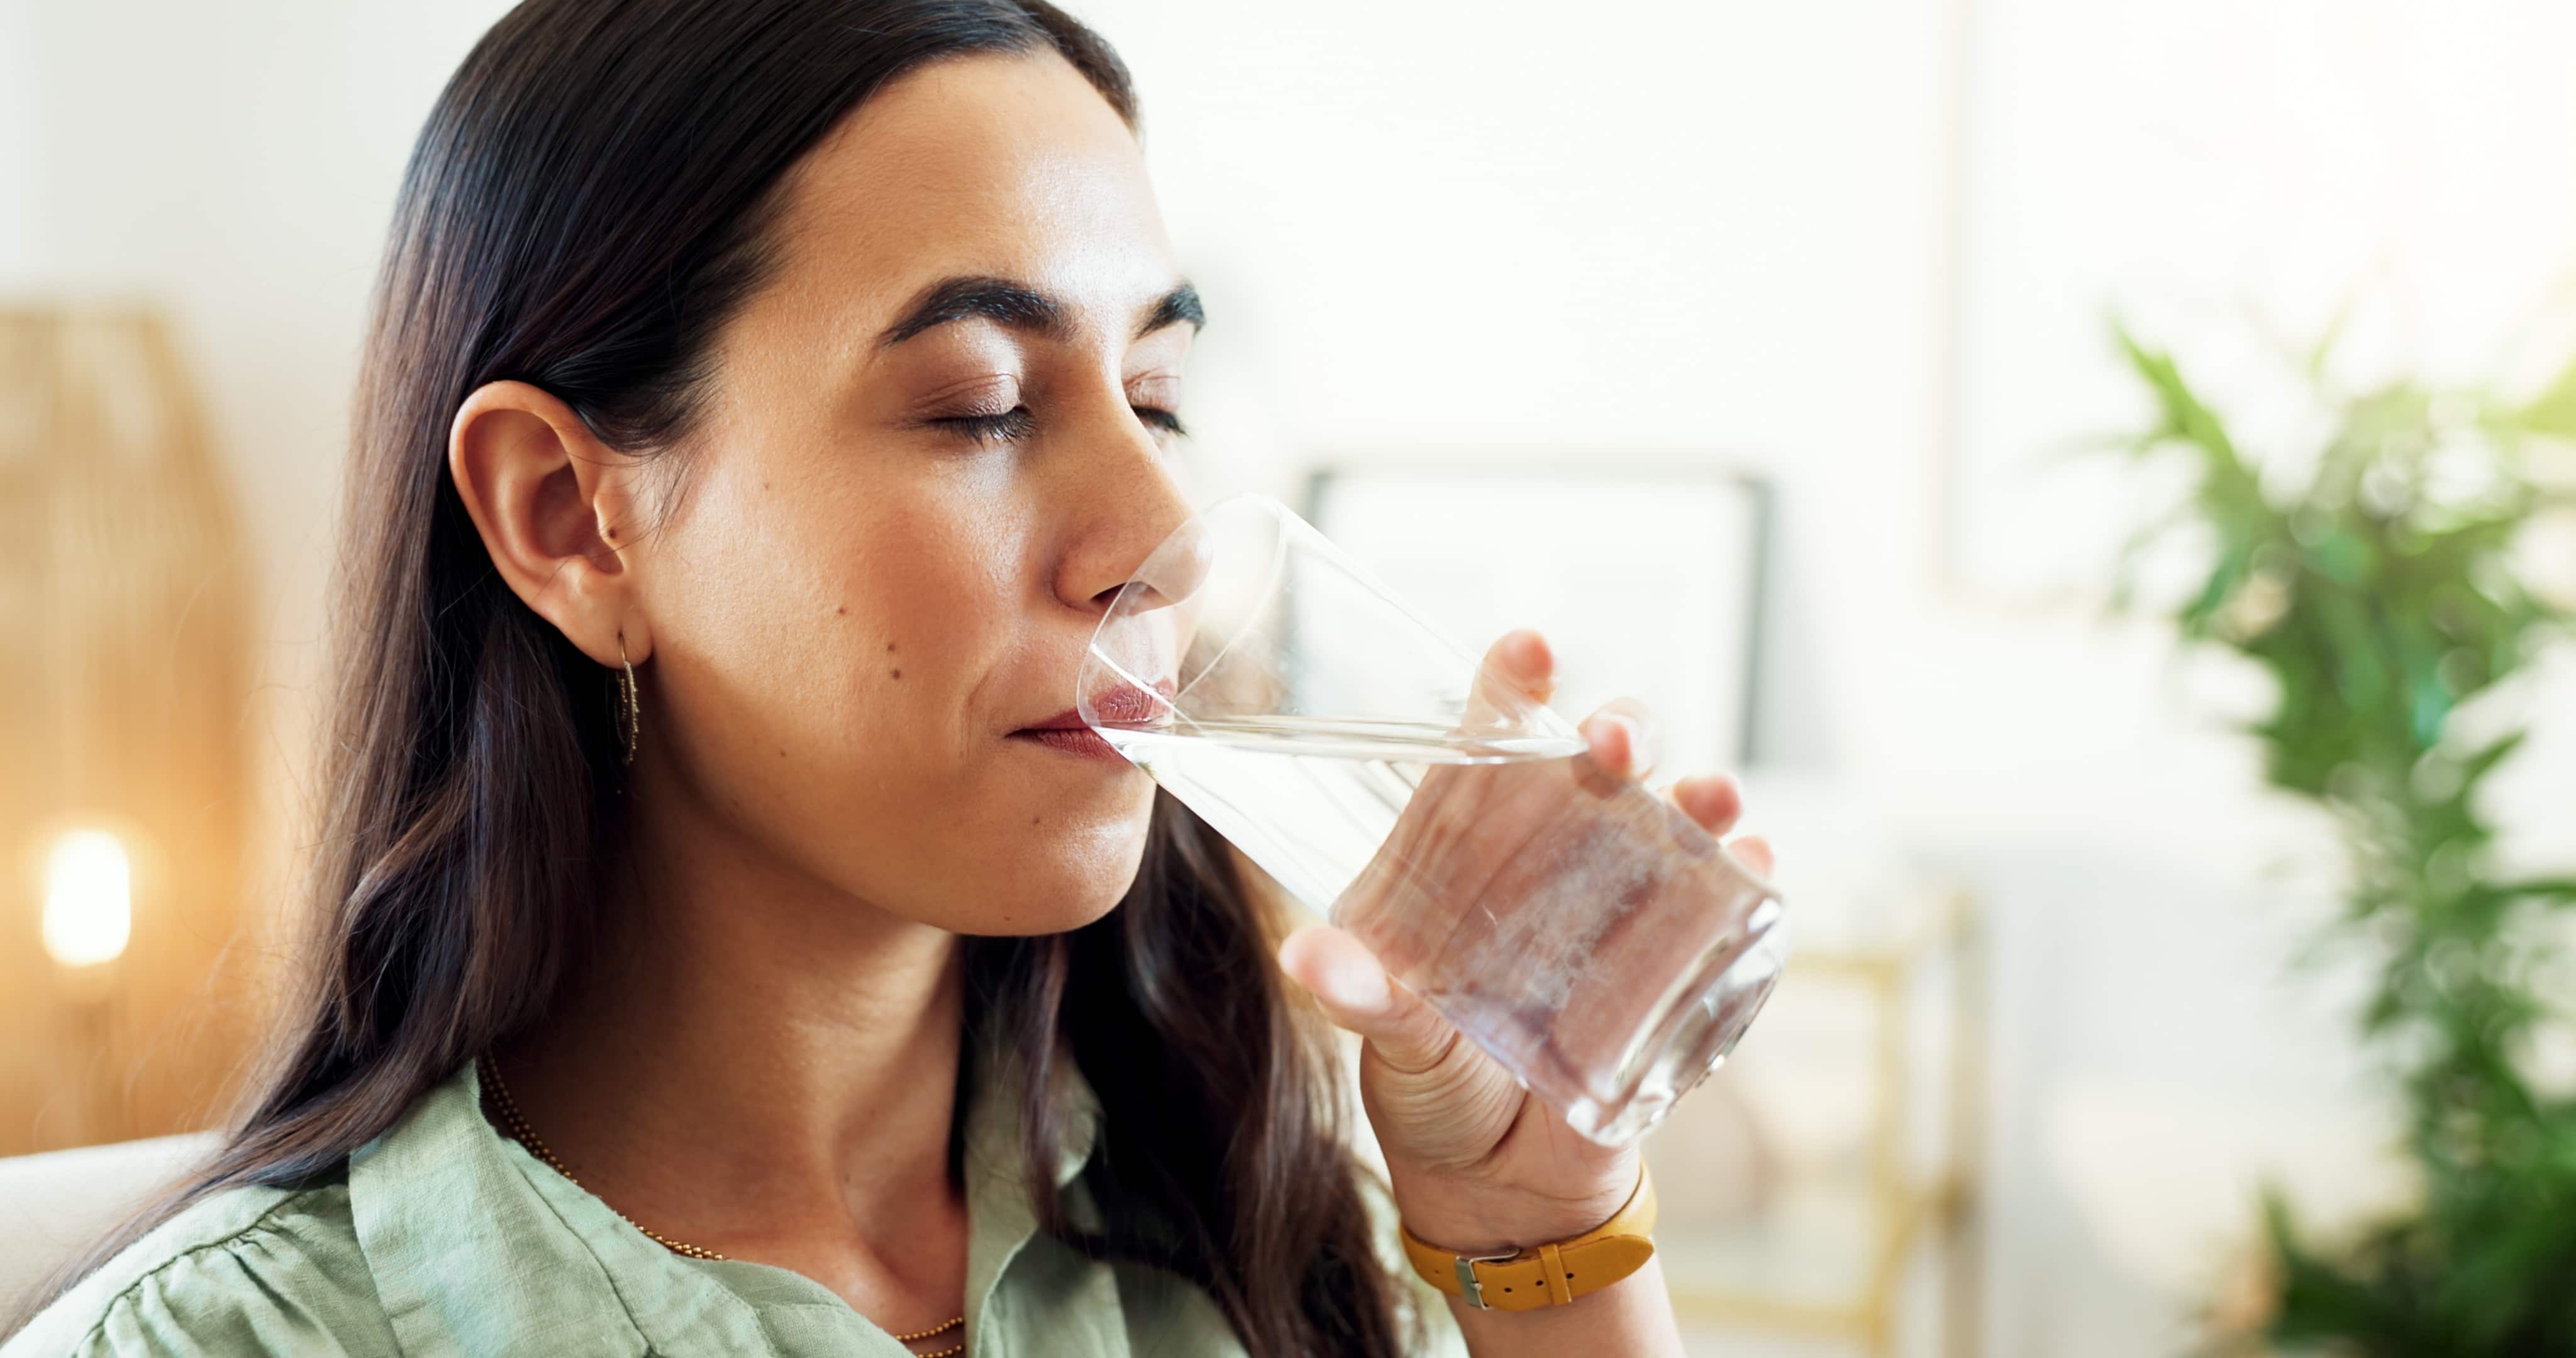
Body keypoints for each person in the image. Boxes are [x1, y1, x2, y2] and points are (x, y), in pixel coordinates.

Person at [3, 1, 1773, 1354]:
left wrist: (1550, 1245)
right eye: (983, 404)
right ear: (571, 523)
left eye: (1155, 395)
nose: (1154, 527)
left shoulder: (1275, 1240)